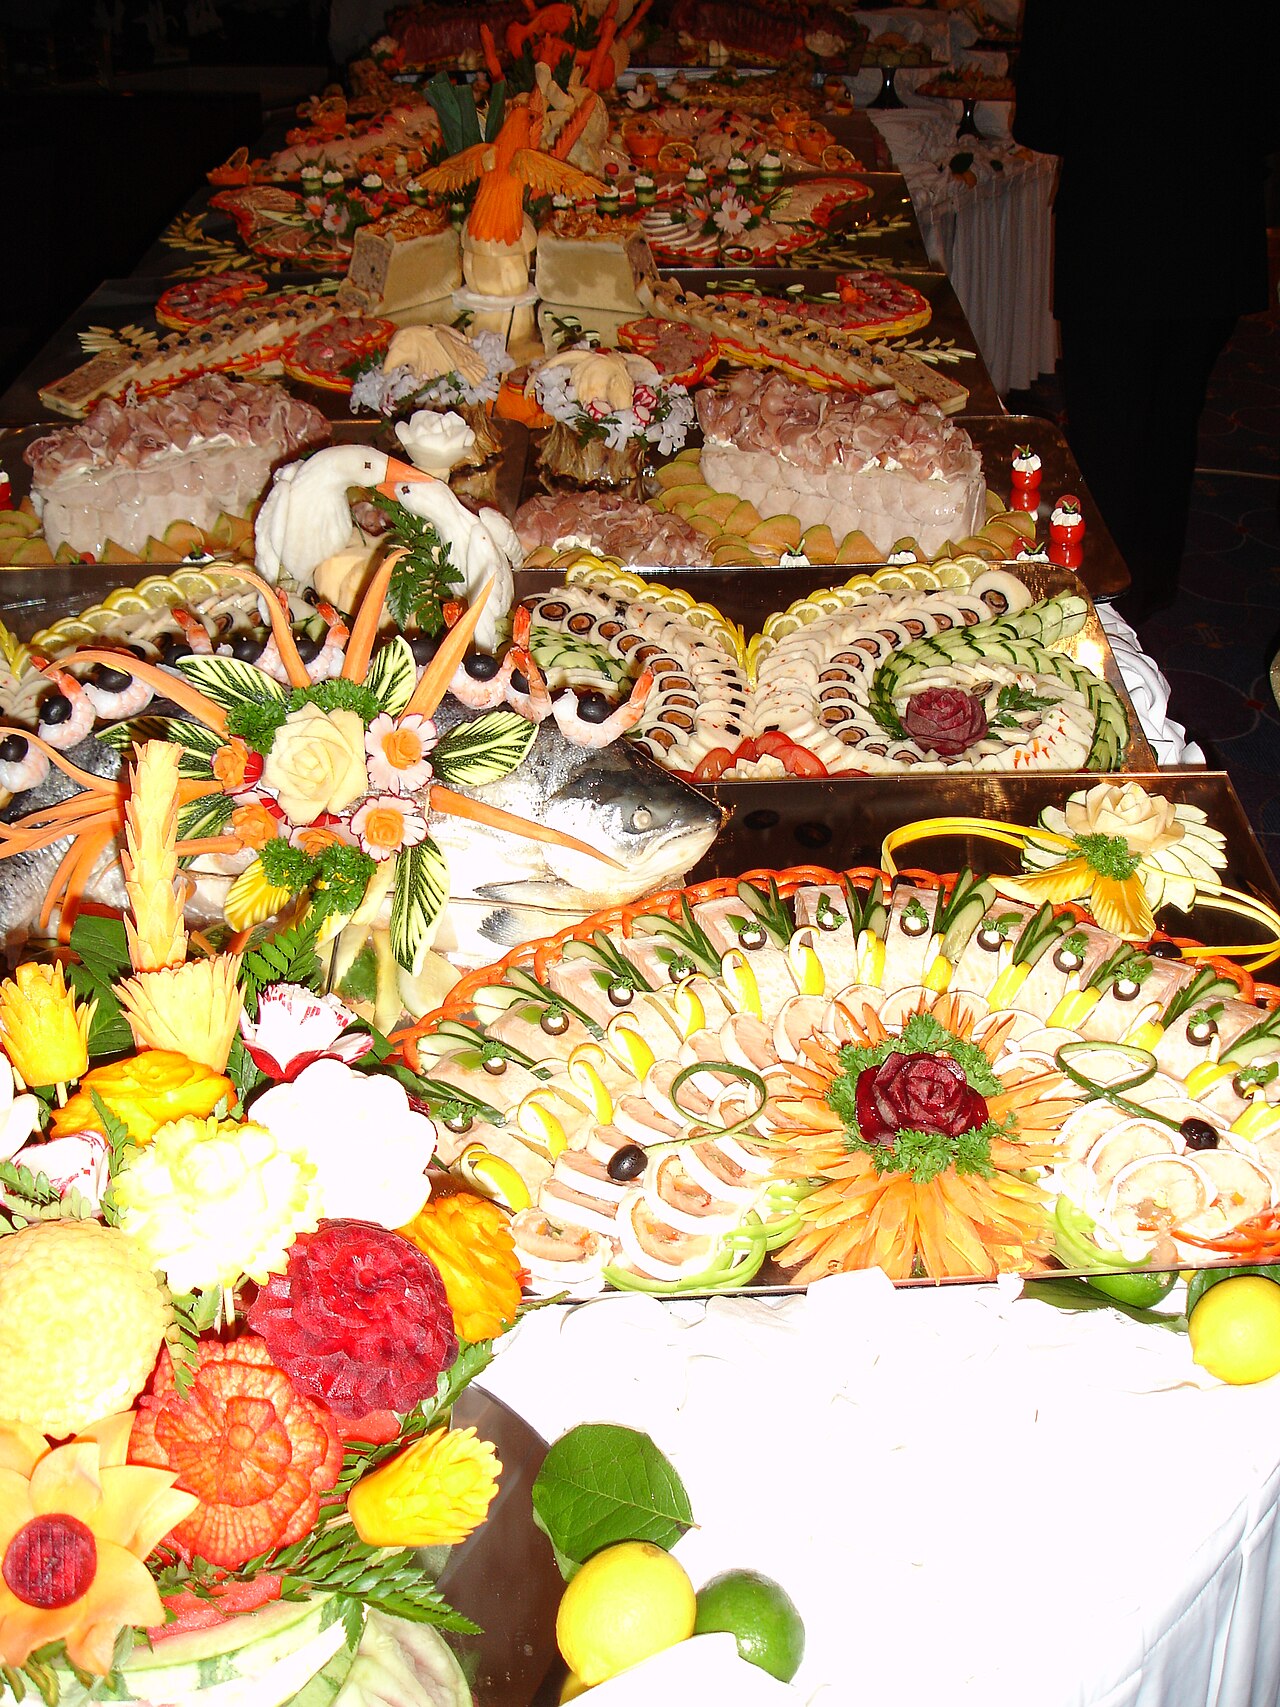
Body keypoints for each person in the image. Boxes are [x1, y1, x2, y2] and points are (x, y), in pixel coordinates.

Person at [1013, 2, 1277, 624]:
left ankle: (1101, 599)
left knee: (1108, 429)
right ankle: (1150, 583)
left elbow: (1042, 120)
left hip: (1115, 225)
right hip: (1212, 228)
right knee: (1173, 417)